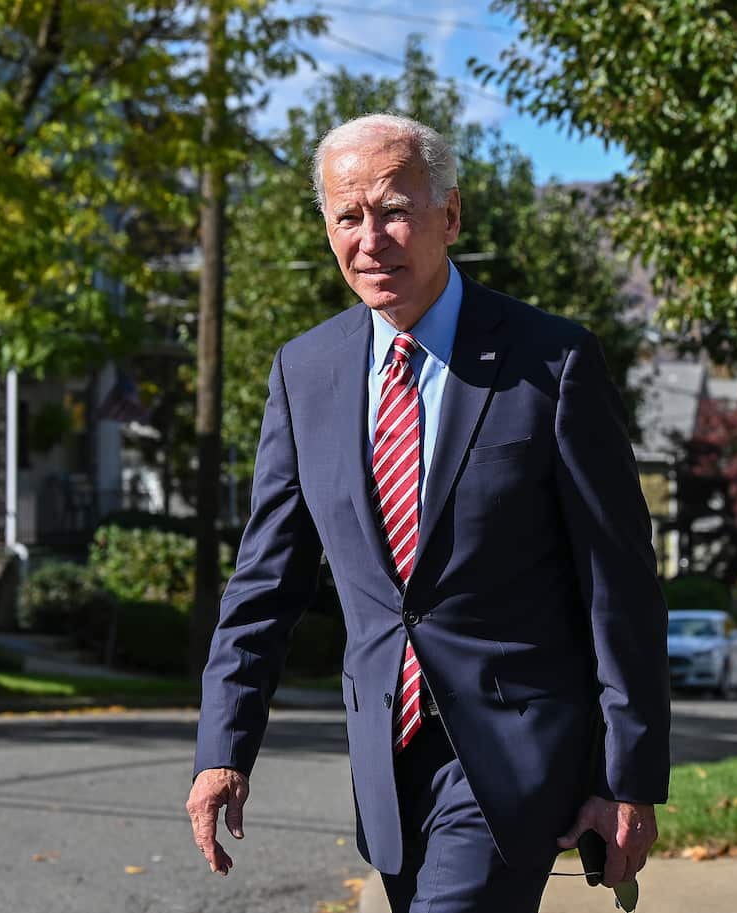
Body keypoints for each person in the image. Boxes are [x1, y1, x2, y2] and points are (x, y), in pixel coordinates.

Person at [186, 113, 670, 913]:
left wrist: (626, 774)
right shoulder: (305, 373)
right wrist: (222, 748)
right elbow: (264, 583)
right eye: (349, 216)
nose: (371, 238)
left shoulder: (551, 362)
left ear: (449, 216)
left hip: (515, 759)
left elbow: (617, 582)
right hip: (386, 763)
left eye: (394, 210)